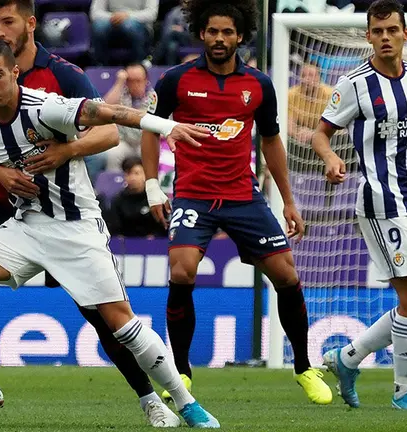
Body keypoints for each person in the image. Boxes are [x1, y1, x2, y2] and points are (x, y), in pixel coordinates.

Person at [0, 0, 182, 428]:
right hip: (3, 203)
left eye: (7, 22)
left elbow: (107, 131)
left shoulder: (62, 75)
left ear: (30, 24)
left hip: (59, 206)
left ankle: (150, 398)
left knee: (98, 313)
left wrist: (66, 150)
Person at [141, 0, 332, 406]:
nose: (219, 39)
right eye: (212, 32)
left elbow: (271, 141)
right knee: (182, 270)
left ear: (241, 35)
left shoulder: (258, 85)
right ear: (201, 34)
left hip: (243, 194)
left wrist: (289, 201)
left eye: (227, 32)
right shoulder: (176, 80)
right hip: (193, 193)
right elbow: (147, 127)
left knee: (285, 274)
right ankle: (182, 372)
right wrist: (153, 187)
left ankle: (303, 367)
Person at [312, 0, 407, 410]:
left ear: (404, 34)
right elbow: (320, 134)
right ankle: (403, 390)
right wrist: (329, 158)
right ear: (368, 36)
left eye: (391, 30)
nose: (384, 37)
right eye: (377, 31)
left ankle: (347, 359)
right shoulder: (354, 84)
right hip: (381, 202)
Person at [103, 63, 158, 172]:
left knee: (151, 150)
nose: (134, 84)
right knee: (113, 152)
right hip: (123, 142)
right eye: (130, 80)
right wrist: (120, 82)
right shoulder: (120, 94)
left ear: (146, 80)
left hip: (144, 141)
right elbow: (104, 108)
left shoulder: (154, 97)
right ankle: (115, 183)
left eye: (138, 80)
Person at [104, 157, 167, 238]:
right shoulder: (117, 200)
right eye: (128, 173)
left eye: (137, 173)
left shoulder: (156, 198)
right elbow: (114, 228)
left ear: (145, 174)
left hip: (153, 246)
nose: (133, 178)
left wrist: (154, 236)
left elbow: (163, 227)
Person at [90, 0, 158, 64]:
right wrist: (115, 17)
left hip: (139, 25)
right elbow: (95, 13)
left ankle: (138, 65)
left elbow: (151, 14)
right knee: (99, 26)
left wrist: (127, 16)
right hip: (111, 21)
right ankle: (101, 66)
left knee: (129, 25)